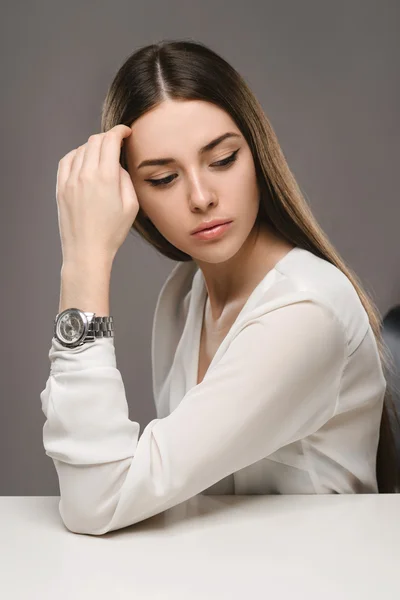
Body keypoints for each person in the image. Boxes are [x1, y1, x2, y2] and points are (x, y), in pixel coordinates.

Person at [40, 39, 400, 536]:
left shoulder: (304, 313)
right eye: (164, 178)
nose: (202, 196)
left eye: (223, 159)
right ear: (131, 193)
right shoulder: (184, 295)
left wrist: (84, 260)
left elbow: (98, 500)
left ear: (257, 153)